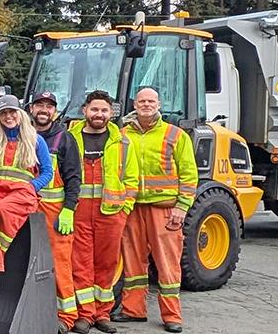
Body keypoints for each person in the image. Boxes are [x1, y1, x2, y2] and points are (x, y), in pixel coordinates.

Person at [113, 88, 198, 334]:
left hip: (165, 209)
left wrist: (182, 206)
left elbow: (189, 174)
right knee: (132, 262)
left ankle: (172, 315)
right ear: (134, 104)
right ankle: (133, 310)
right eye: (142, 101)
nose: (146, 105)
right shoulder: (122, 135)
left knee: (167, 263)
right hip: (133, 207)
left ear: (159, 104)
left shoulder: (175, 135)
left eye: (151, 101)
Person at [0, 95, 52, 293]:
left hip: (22, 191)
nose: (8, 116)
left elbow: (48, 171)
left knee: (2, 212)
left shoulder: (35, 139)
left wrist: (33, 187)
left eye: (12, 112)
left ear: (20, 113)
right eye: (4, 113)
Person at [70, 90, 127, 334]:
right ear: (85, 111)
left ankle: (103, 314)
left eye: (104, 110)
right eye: (94, 109)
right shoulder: (70, 139)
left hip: (110, 214)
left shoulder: (122, 142)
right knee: (81, 265)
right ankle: (85, 315)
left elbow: (132, 178)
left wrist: (125, 210)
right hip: (79, 212)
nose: (99, 114)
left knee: (107, 264)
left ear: (111, 113)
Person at [30, 92, 85, 332]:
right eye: (39, 105)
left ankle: (66, 316)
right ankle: (31, 311)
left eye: (48, 106)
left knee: (60, 263)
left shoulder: (64, 139)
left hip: (54, 213)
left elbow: (74, 178)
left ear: (54, 111)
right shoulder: (22, 135)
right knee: (28, 262)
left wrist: (69, 210)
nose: (44, 110)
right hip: (25, 210)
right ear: (31, 108)